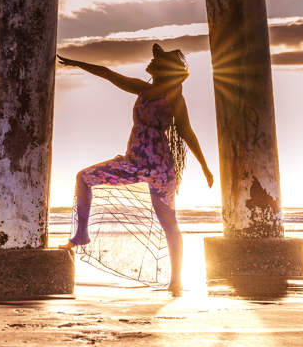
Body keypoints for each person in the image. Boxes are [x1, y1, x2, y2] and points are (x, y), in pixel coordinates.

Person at [57, 44, 214, 292]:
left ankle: (176, 280)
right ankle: (80, 237)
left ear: (164, 68)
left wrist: (205, 167)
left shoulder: (174, 96)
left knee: (169, 223)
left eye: (157, 60)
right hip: (132, 161)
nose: (150, 62)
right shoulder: (143, 88)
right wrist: (78, 64)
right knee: (84, 178)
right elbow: (109, 74)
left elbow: (187, 133)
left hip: (159, 168)